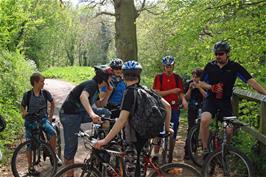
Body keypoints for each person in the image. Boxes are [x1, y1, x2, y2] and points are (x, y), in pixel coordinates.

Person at [95, 60, 173, 177]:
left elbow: (122, 120)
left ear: (123, 75)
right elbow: (167, 106)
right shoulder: (146, 89)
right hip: (145, 137)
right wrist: (167, 129)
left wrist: (105, 141)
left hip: (133, 140)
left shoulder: (129, 93)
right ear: (138, 76)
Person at [199, 41, 266, 156]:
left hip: (225, 102)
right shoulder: (210, 66)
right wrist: (211, 87)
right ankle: (205, 149)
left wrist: (265, 92)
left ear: (227, 54)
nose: (218, 56)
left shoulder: (234, 67)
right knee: (205, 119)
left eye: (221, 54)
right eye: (216, 54)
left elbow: (251, 81)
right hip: (211, 100)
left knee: (229, 130)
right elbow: (200, 83)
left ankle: (225, 151)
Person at [59, 65, 113, 168]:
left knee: (105, 113)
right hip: (69, 115)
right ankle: (69, 174)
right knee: (71, 149)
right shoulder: (91, 84)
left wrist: (108, 93)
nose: (112, 79)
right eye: (110, 77)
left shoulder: (97, 89)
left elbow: (100, 105)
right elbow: (83, 96)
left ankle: (101, 142)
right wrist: (92, 114)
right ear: (104, 78)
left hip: (80, 114)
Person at [21, 73, 61, 176]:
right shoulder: (28, 95)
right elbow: (22, 107)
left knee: (52, 133)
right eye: (41, 81)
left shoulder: (45, 93)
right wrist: (23, 113)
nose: (43, 83)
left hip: (43, 120)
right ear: (35, 82)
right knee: (29, 145)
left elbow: (52, 103)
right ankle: (30, 167)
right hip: (30, 121)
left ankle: (52, 154)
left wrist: (49, 116)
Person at [152, 55, 188, 162]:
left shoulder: (177, 78)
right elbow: (157, 93)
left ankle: (170, 154)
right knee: (158, 129)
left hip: (174, 107)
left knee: (174, 130)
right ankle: (156, 154)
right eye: (167, 66)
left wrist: (184, 100)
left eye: (170, 66)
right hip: (161, 107)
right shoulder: (159, 77)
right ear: (164, 66)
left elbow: (180, 92)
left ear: (173, 66)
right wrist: (172, 91)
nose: (168, 68)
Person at [183, 68, 206, 160]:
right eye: (193, 76)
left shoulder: (204, 84)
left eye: (196, 77)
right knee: (191, 128)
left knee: (201, 129)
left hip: (203, 107)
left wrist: (199, 87)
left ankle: (200, 147)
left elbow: (206, 96)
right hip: (192, 107)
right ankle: (188, 151)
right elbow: (186, 97)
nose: (194, 79)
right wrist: (190, 89)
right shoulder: (189, 83)